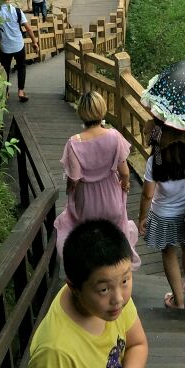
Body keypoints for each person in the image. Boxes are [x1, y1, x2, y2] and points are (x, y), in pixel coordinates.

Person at [27, 219, 148, 368]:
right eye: (104, 289)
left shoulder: (113, 304)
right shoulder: (56, 349)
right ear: (74, 288)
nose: (118, 298)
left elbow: (137, 345)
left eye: (125, 280)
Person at [54, 92, 140, 269]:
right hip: (112, 199)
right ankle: (117, 271)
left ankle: (94, 274)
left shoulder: (74, 143)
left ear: (81, 112)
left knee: (90, 240)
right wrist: (125, 185)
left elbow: (74, 179)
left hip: (88, 204)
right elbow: (124, 172)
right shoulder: (115, 136)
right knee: (114, 237)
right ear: (102, 110)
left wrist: (69, 191)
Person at [137, 117, 185, 309]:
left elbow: (148, 195)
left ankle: (178, 302)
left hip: (163, 215)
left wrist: (142, 218)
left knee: (169, 252)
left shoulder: (154, 160)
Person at [0, 0, 38, 103]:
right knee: (21, 67)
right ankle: (21, 91)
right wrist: (34, 42)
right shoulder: (16, 11)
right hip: (18, 45)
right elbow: (28, 28)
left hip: (5, 47)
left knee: (5, 69)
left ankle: (6, 92)